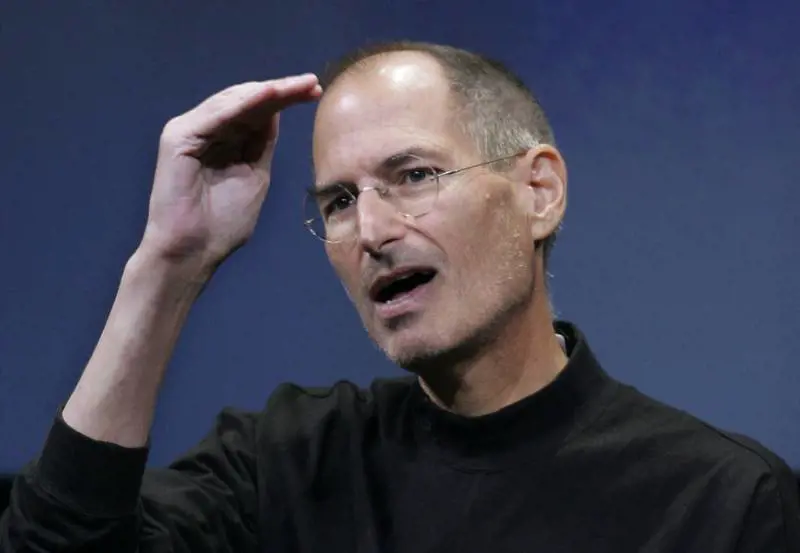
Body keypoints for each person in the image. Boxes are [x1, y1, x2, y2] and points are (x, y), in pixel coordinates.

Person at [1, 41, 798, 553]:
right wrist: (168, 266)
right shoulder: (288, 465)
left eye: (414, 175)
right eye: (339, 201)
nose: (372, 230)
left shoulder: (720, 504)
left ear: (539, 192)